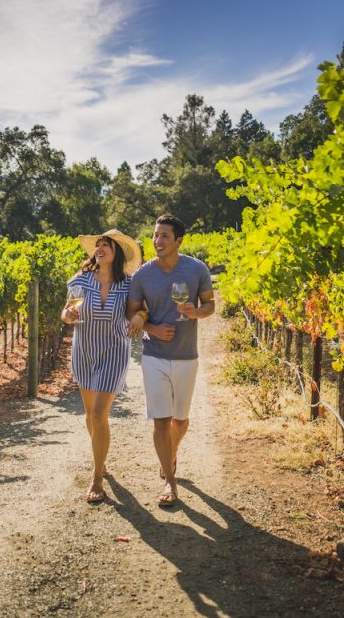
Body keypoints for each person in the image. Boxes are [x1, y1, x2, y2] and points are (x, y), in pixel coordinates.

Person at [126, 214, 215, 506]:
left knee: (181, 420)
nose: (157, 241)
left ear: (178, 240)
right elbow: (133, 313)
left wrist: (195, 313)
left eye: (164, 236)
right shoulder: (142, 275)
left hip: (187, 355)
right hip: (154, 355)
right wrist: (151, 328)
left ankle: (170, 455)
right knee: (161, 422)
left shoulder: (196, 268)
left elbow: (210, 305)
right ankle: (170, 482)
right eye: (155, 235)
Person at [61, 229, 144, 503]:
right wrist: (68, 315)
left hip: (114, 351)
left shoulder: (129, 284)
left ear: (116, 252)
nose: (99, 248)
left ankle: (97, 477)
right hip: (84, 351)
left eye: (106, 244)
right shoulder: (81, 280)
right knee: (89, 414)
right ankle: (101, 460)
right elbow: (66, 312)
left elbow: (139, 310)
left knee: (99, 415)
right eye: (97, 244)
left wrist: (139, 318)